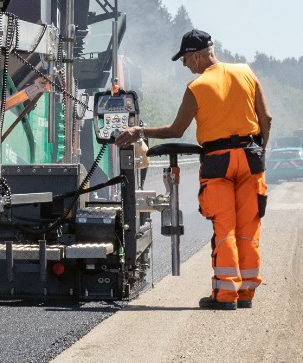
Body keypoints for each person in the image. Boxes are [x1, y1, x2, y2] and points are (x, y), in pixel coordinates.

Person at [115, 29, 273, 311]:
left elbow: (176, 130)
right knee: (249, 227)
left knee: (225, 228)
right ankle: (247, 292)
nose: (185, 65)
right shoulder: (246, 72)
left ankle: (225, 295)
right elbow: (267, 118)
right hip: (250, 159)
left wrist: (140, 131)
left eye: (185, 60)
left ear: (197, 56)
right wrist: (259, 149)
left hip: (218, 162)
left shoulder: (197, 87)